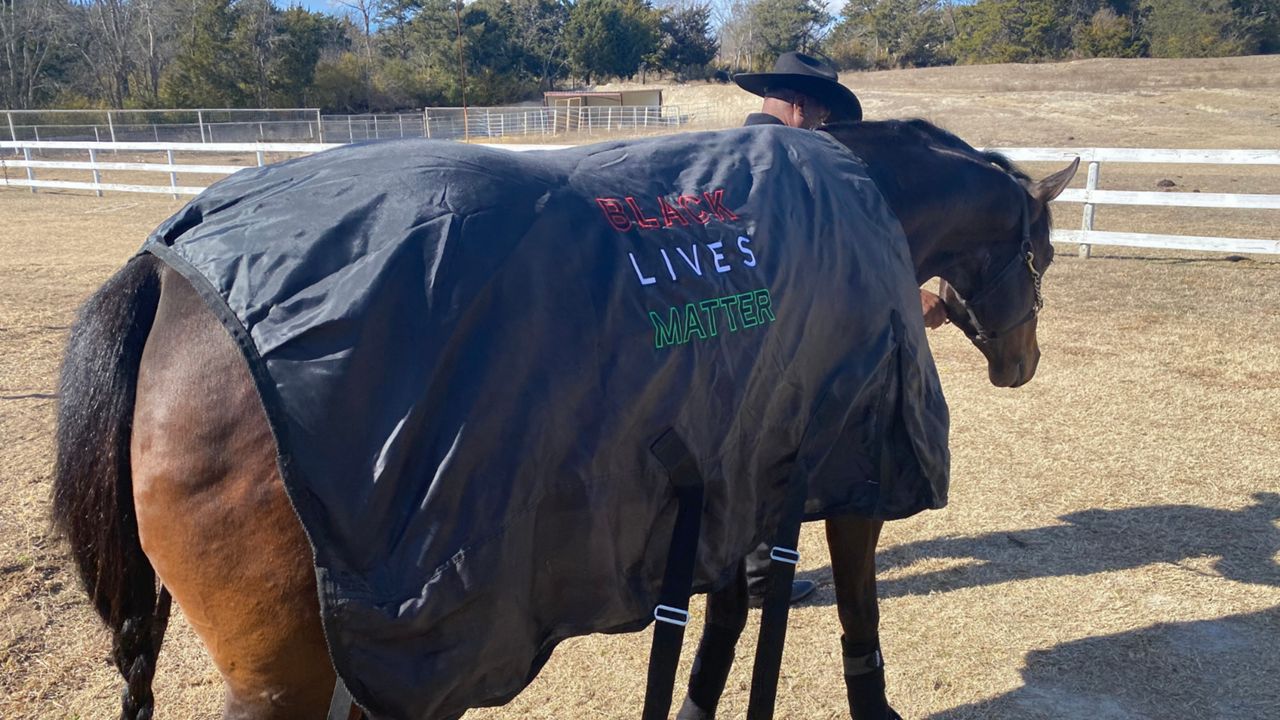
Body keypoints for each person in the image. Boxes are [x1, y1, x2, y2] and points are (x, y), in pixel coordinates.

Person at [734, 52, 949, 607]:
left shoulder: (730, 153)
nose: (823, 128)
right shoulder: (793, 162)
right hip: (783, 332)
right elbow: (821, 254)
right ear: (800, 105)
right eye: (822, 115)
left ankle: (754, 571)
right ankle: (758, 575)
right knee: (777, 446)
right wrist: (903, 296)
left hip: (739, 328)